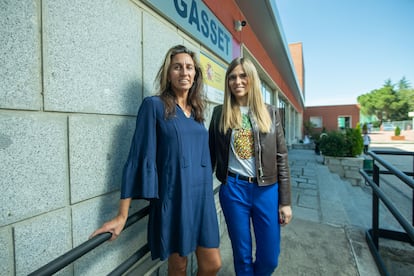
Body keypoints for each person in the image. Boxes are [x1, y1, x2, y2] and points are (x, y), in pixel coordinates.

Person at [90, 45, 221, 275]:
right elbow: (139, 157)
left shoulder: (197, 111)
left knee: (212, 264)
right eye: (177, 67)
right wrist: (122, 215)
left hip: (201, 199)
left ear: (195, 75)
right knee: (179, 266)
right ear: (168, 74)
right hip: (175, 198)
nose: (184, 72)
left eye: (189, 67)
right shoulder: (154, 106)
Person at [209, 57, 292, 276]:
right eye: (232, 77)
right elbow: (209, 155)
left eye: (243, 75)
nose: (237, 81)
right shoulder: (220, 113)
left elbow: (281, 157)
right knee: (242, 255)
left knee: (270, 258)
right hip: (234, 190)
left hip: (267, 190)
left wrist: (285, 201)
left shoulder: (271, 112)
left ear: (252, 79)